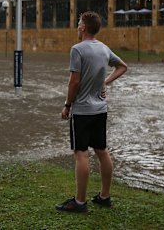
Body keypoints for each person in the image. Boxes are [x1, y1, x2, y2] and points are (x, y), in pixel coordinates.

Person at [55, 11, 128, 214]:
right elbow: (122, 67)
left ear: (83, 27)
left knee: (81, 153)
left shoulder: (77, 50)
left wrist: (67, 104)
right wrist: (105, 81)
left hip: (82, 111)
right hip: (100, 109)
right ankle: (104, 197)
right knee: (102, 151)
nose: (77, 26)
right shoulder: (104, 49)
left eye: (79, 23)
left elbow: (74, 82)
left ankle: (79, 202)